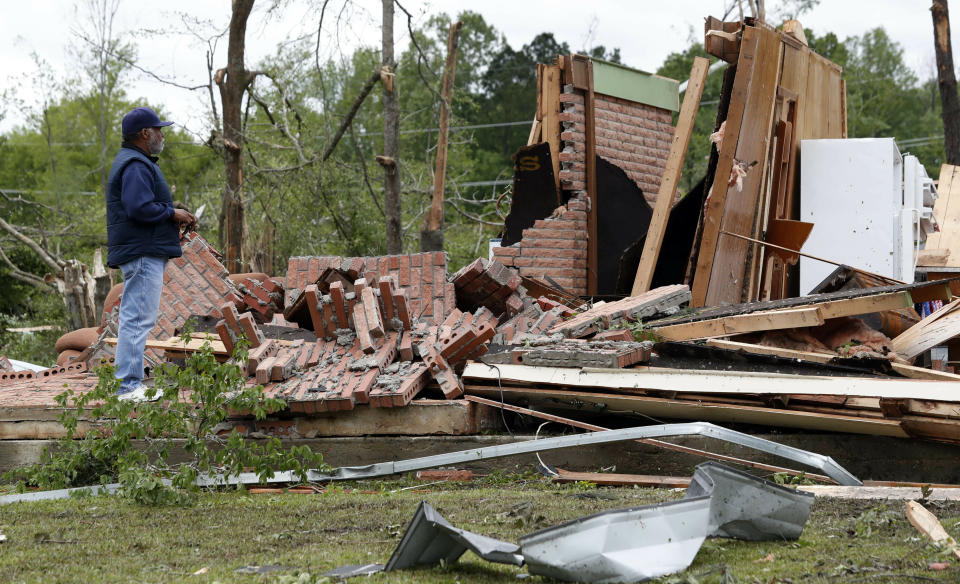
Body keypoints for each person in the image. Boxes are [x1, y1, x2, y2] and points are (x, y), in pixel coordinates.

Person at [105, 107, 196, 402]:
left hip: (140, 249)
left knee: (136, 317)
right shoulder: (135, 164)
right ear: (145, 134)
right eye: (159, 129)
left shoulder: (134, 161)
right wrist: (173, 213)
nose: (162, 134)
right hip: (143, 251)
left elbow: (140, 205)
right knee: (137, 318)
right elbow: (138, 207)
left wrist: (172, 214)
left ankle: (128, 382)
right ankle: (127, 387)